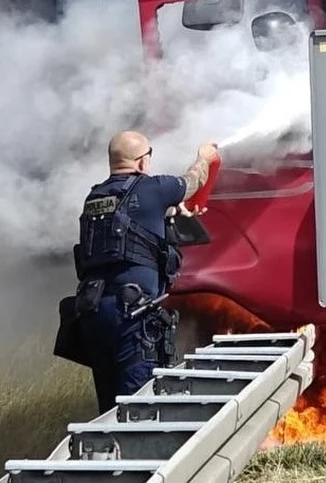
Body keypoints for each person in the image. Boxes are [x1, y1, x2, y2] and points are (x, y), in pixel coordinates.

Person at [72, 131, 220, 414]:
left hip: (93, 313)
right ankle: (136, 454)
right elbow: (193, 182)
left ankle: (108, 451)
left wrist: (166, 214)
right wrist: (203, 158)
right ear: (141, 162)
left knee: (108, 406)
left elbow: (130, 226)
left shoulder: (95, 196)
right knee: (138, 403)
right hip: (131, 315)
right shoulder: (153, 188)